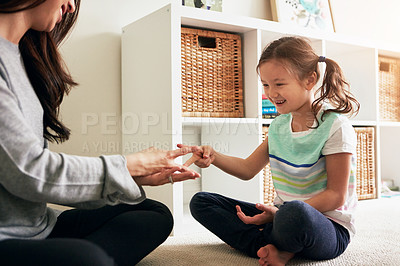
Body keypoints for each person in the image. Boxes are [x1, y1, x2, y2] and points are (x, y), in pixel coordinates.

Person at [0, 1, 200, 265]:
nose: (71, 6)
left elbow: (36, 176)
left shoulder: (19, 58)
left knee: (155, 213)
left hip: (40, 226)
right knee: (90, 258)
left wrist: (132, 178)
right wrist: (129, 167)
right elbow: (30, 172)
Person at [181, 36, 360, 265]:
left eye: (279, 84)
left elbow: (336, 195)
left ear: (309, 80)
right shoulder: (278, 126)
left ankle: (273, 244)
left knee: (294, 213)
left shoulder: (335, 126)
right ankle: (275, 246)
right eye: (265, 85)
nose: (271, 93)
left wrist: (280, 215)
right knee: (201, 202)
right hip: (281, 217)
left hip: (327, 227)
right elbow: (247, 169)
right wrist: (214, 156)